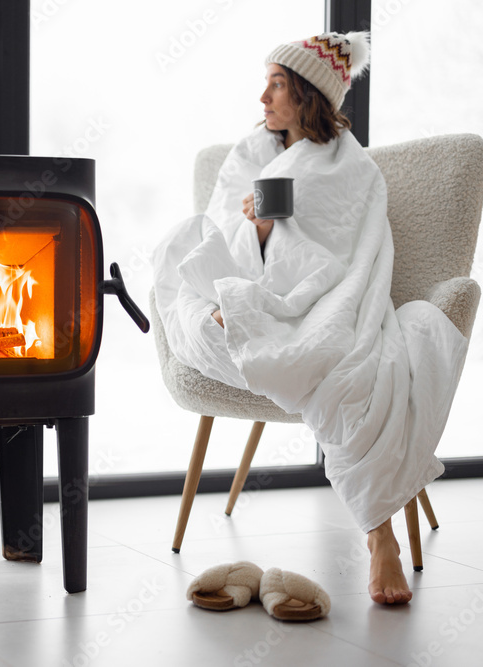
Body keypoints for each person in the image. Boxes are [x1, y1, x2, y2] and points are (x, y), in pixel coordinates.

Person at [152, 32, 471, 606]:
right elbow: (221, 232)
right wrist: (250, 235)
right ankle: (241, 316)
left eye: (276, 84)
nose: (263, 97)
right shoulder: (255, 154)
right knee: (182, 243)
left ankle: (382, 537)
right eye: (266, 82)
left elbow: (340, 257)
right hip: (250, 288)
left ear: (306, 94)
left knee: (342, 371)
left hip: (319, 300)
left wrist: (276, 229)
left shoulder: (350, 168)